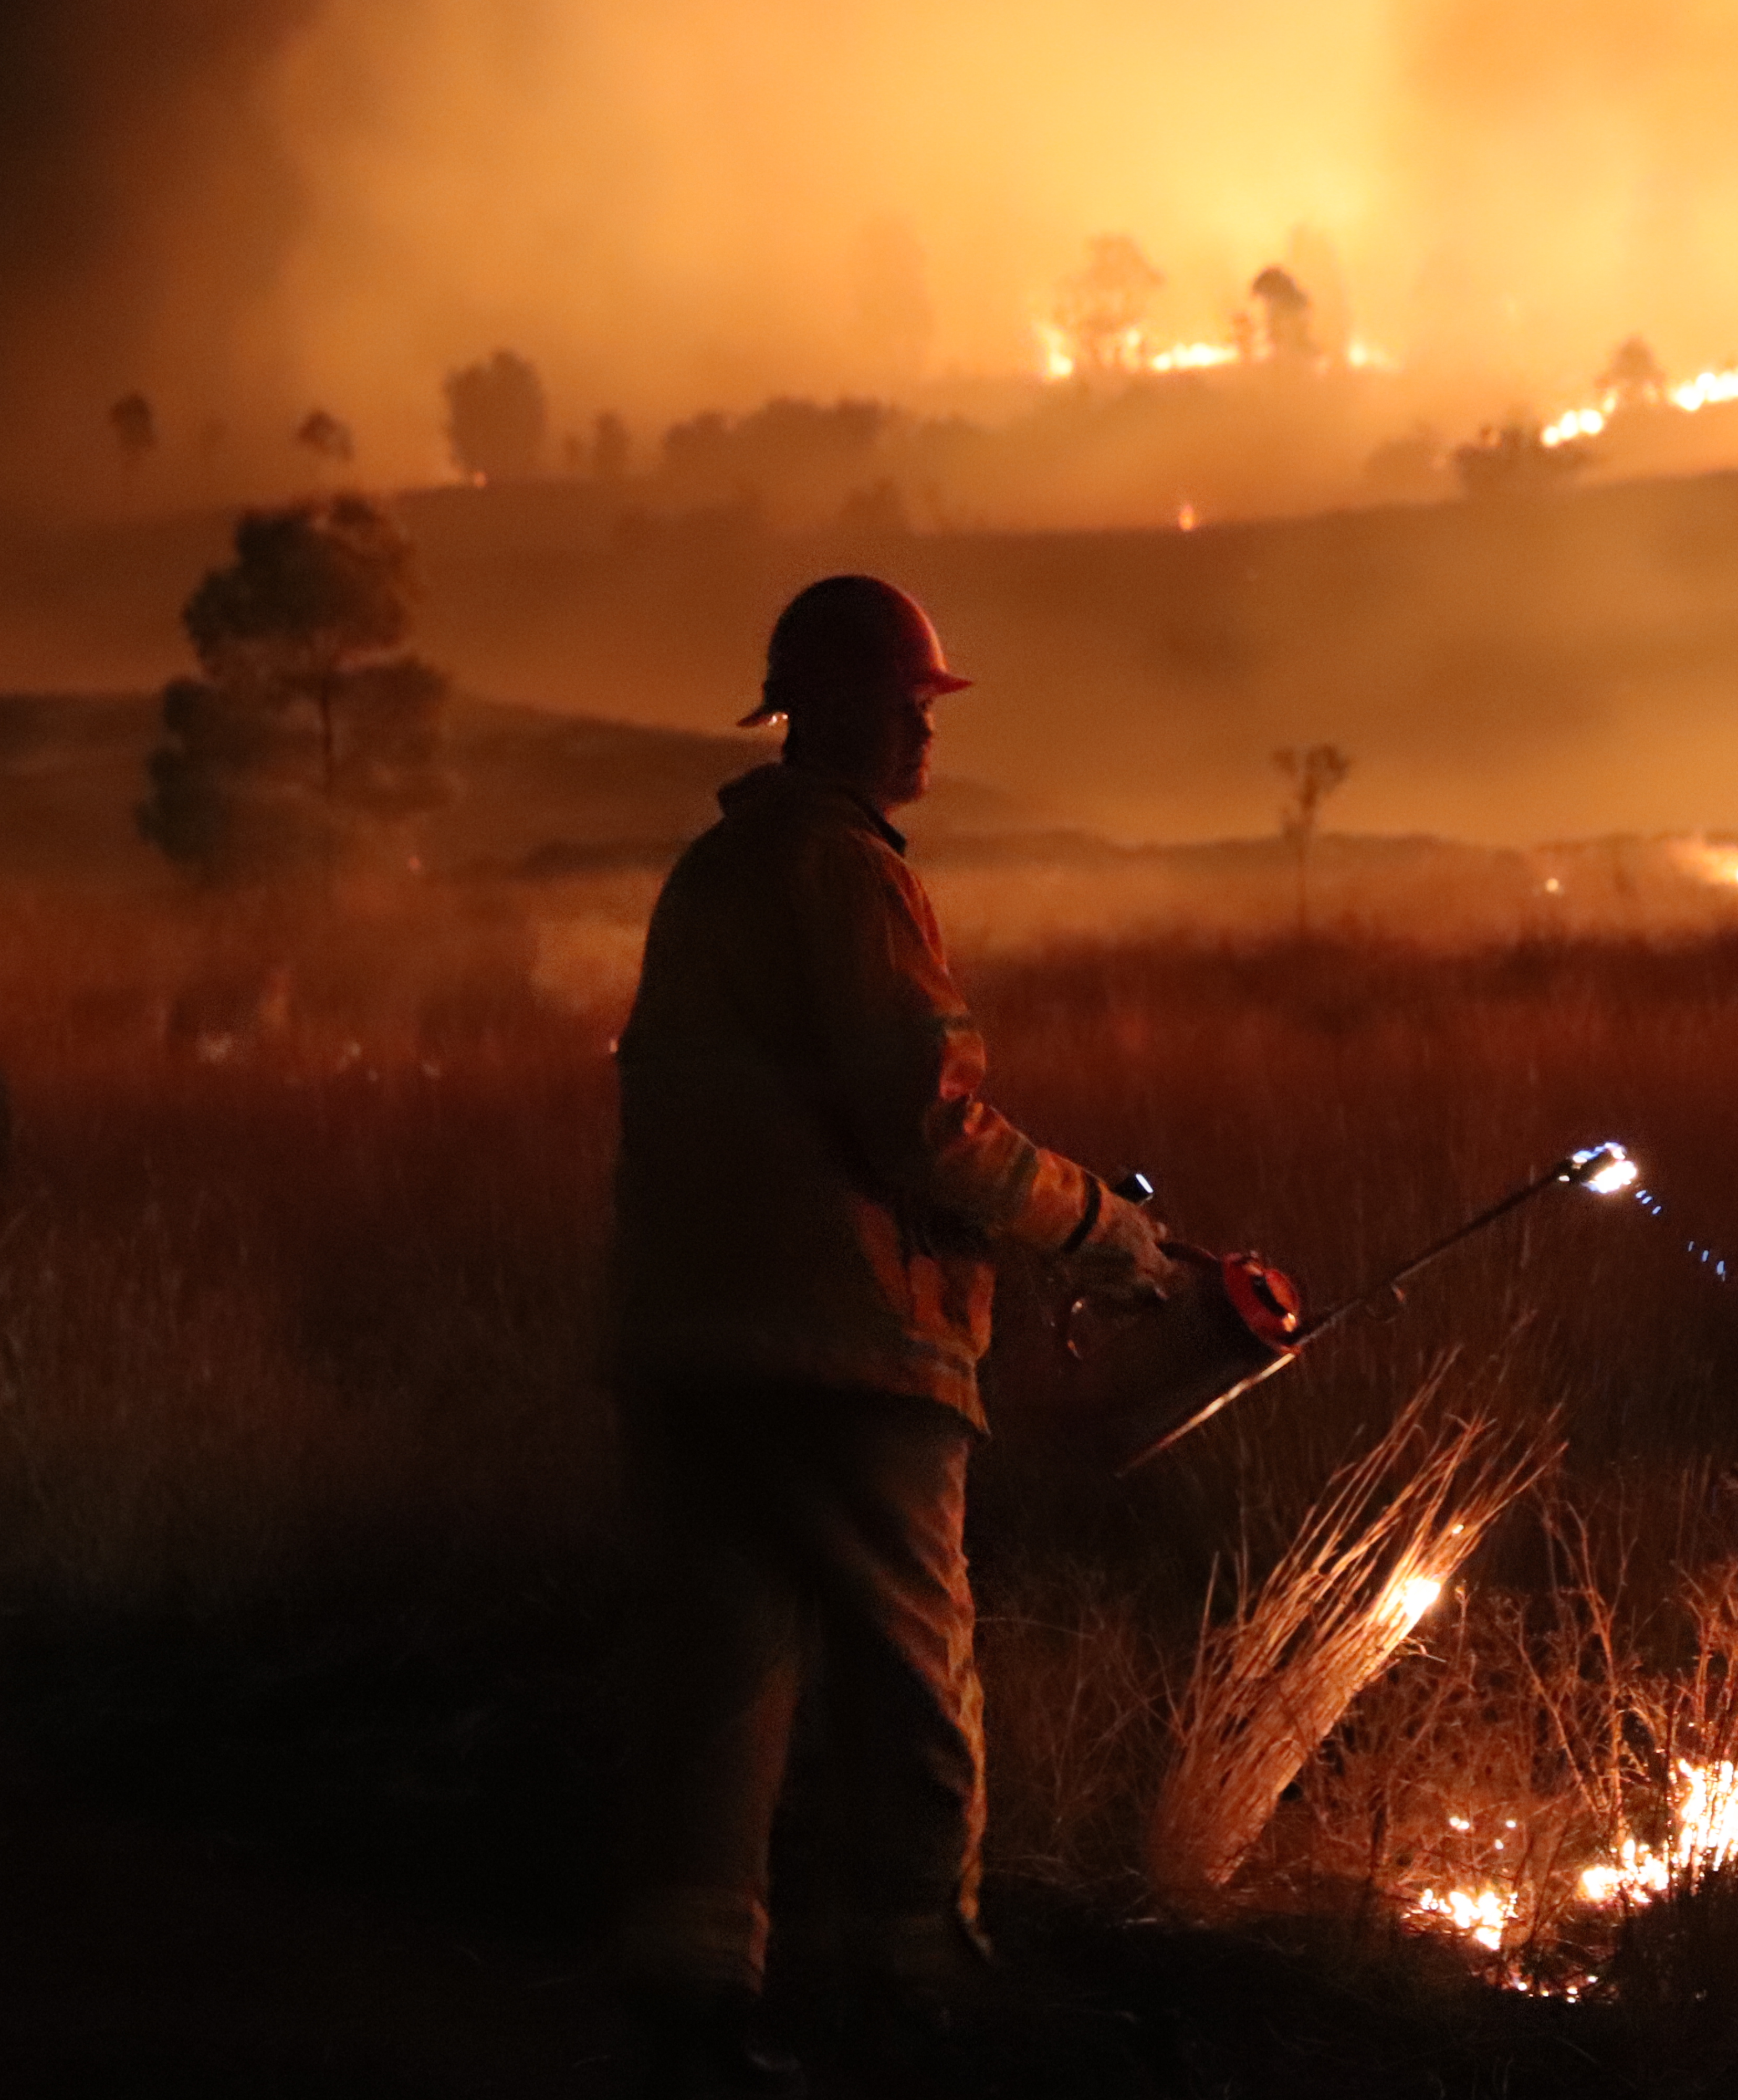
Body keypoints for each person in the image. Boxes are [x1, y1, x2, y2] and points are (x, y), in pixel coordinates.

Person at [608, 574, 1176, 2095]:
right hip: (852, 1352)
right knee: (917, 1678)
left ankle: (691, 2004)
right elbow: (926, 1123)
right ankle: (918, 1989)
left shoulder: (712, 874)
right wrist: (1101, 1229)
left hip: (689, 1348)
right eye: (915, 707)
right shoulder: (849, 877)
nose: (929, 736)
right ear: (847, 712)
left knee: (725, 1675)